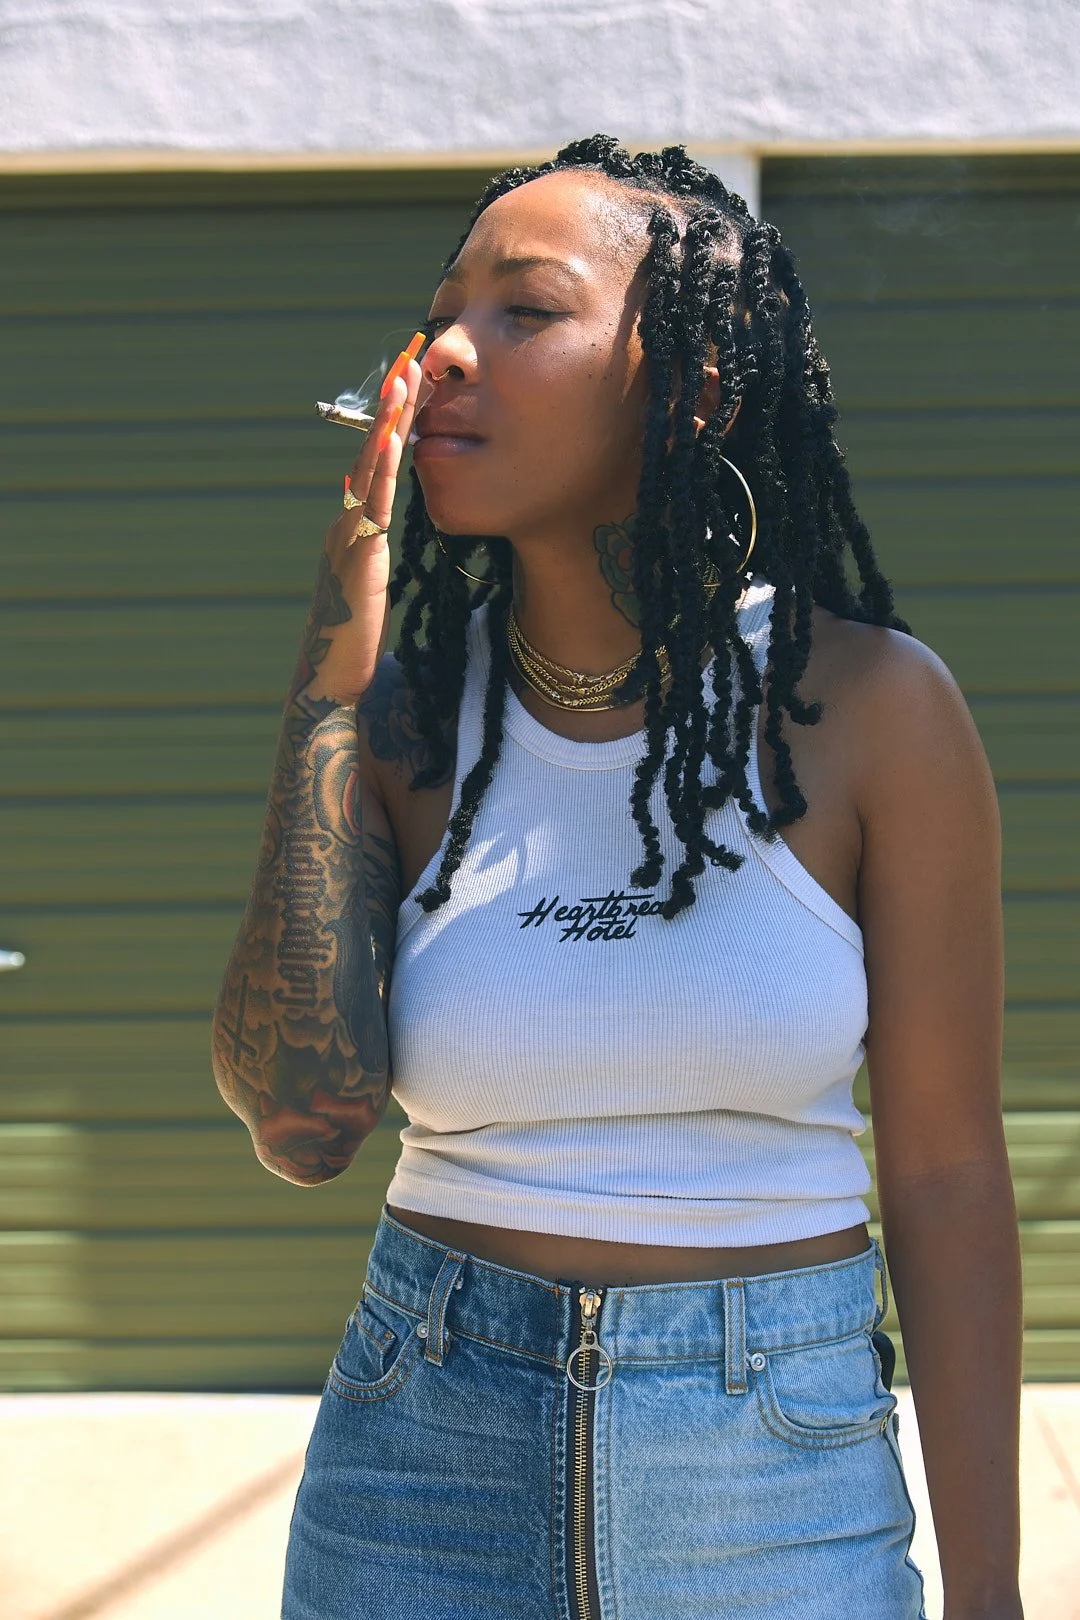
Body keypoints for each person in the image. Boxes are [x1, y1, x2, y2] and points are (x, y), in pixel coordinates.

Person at [210, 134, 1024, 1620]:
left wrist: (990, 1592)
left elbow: (950, 1175)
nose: (445, 354)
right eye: (440, 315)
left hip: (774, 1480)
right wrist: (334, 669)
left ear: (691, 387)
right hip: (420, 1466)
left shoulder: (873, 711)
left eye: (525, 310)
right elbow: (300, 1122)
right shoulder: (406, 717)